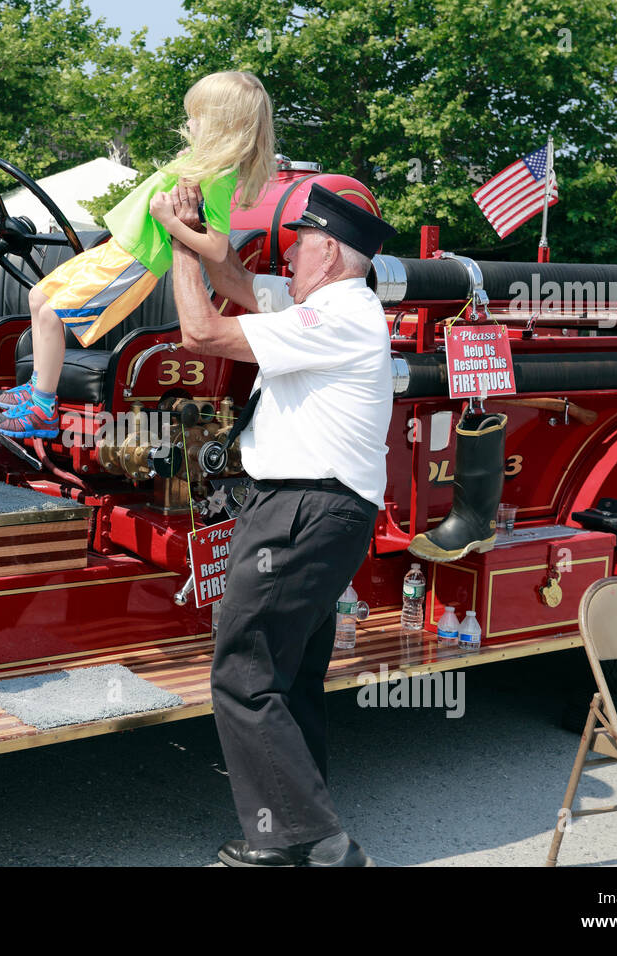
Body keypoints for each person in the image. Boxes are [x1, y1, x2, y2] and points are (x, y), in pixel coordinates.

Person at [167, 180, 397, 866]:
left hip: (303, 508)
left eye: (297, 248)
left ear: (327, 253)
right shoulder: (329, 303)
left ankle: (314, 842)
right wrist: (199, 227)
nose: (287, 259)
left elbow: (199, 332)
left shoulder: (337, 317)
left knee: (244, 670)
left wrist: (176, 242)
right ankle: (294, 831)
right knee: (288, 674)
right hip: (315, 510)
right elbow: (237, 279)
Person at [0, 70, 276, 438]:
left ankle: (43, 408)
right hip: (117, 246)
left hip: (135, 260)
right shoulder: (200, 164)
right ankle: (36, 387)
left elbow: (217, 246)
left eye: (197, 116)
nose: (189, 122)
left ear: (221, 123)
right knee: (38, 295)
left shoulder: (218, 177)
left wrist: (169, 221)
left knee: (54, 313)